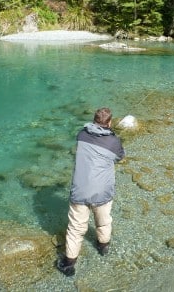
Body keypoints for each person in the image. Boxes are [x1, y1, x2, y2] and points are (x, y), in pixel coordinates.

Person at [57, 107, 125, 276]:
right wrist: (113, 136)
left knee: (75, 229)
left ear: (94, 120)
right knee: (103, 222)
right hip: (103, 193)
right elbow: (120, 157)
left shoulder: (81, 135)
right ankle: (103, 247)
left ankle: (69, 264)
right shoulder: (113, 141)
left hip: (80, 192)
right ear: (109, 122)